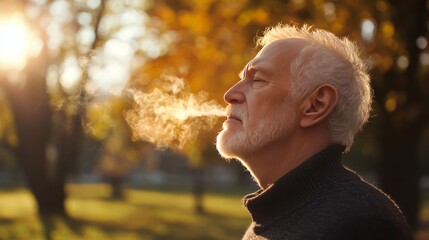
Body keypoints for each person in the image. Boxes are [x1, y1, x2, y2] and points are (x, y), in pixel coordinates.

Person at [216, 24, 412, 240]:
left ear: (315, 105)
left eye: (258, 79)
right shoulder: (269, 217)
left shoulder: (362, 222)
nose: (230, 94)